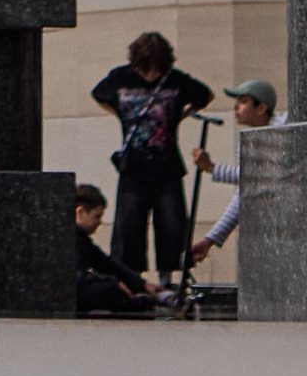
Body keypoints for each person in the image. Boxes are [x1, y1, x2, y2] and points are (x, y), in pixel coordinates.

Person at [90, 27, 214, 282]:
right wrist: (122, 117)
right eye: (146, 67)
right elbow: (98, 94)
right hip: (133, 166)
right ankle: (133, 279)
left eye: (156, 67)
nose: (151, 74)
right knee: (129, 226)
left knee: (171, 225)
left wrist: (180, 116)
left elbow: (205, 95)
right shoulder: (121, 78)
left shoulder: (173, 80)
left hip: (167, 165)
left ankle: (168, 279)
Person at [190, 75, 277, 265]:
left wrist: (212, 168)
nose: (236, 107)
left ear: (261, 108)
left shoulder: (282, 132)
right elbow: (245, 191)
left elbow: (262, 177)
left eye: (243, 102)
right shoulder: (249, 142)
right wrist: (209, 241)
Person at [74, 183, 158, 315]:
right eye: (97, 216)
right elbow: (77, 275)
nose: (99, 222)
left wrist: (141, 284)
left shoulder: (81, 238)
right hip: (69, 291)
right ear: (80, 212)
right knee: (111, 289)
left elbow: (106, 264)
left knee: (112, 287)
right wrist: (112, 282)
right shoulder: (71, 238)